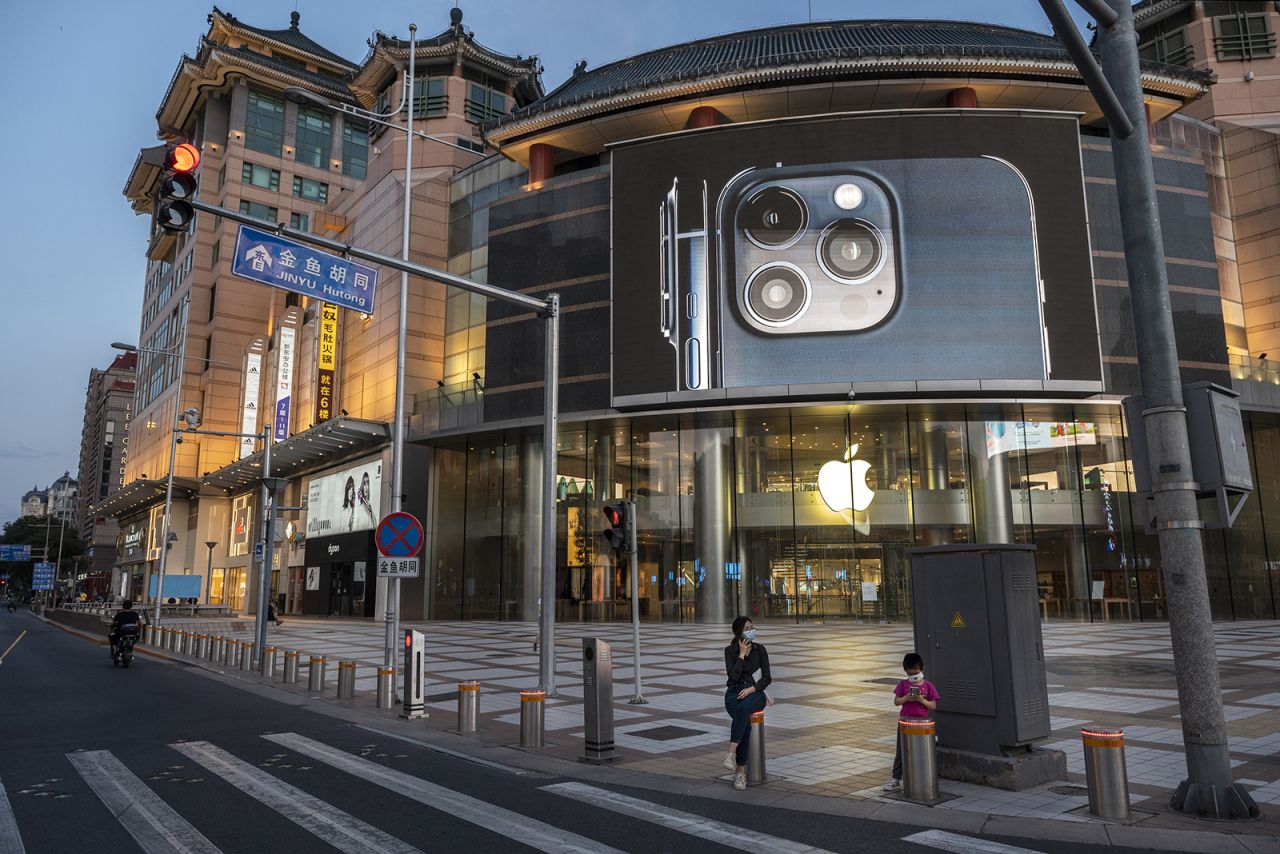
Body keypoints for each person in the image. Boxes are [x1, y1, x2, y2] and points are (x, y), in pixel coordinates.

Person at [722, 615, 771, 791]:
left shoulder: (760, 650)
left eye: (752, 627)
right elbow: (733, 677)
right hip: (734, 692)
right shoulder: (730, 651)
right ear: (739, 632)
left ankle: (732, 754)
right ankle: (740, 773)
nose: (751, 631)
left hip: (756, 693)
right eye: (747, 628)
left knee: (743, 709)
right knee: (745, 725)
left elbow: (767, 678)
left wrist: (752, 689)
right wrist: (741, 656)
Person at [883, 651, 940, 792]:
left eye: (916, 673)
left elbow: (933, 706)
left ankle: (924, 777)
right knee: (901, 750)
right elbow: (896, 702)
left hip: (922, 723)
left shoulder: (928, 686)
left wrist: (922, 700)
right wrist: (906, 698)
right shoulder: (903, 685)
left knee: (923, 751)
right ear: (905, 671)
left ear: (922, 669)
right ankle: (896, 778)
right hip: (904, 722)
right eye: (910, 674)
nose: (913, 676)